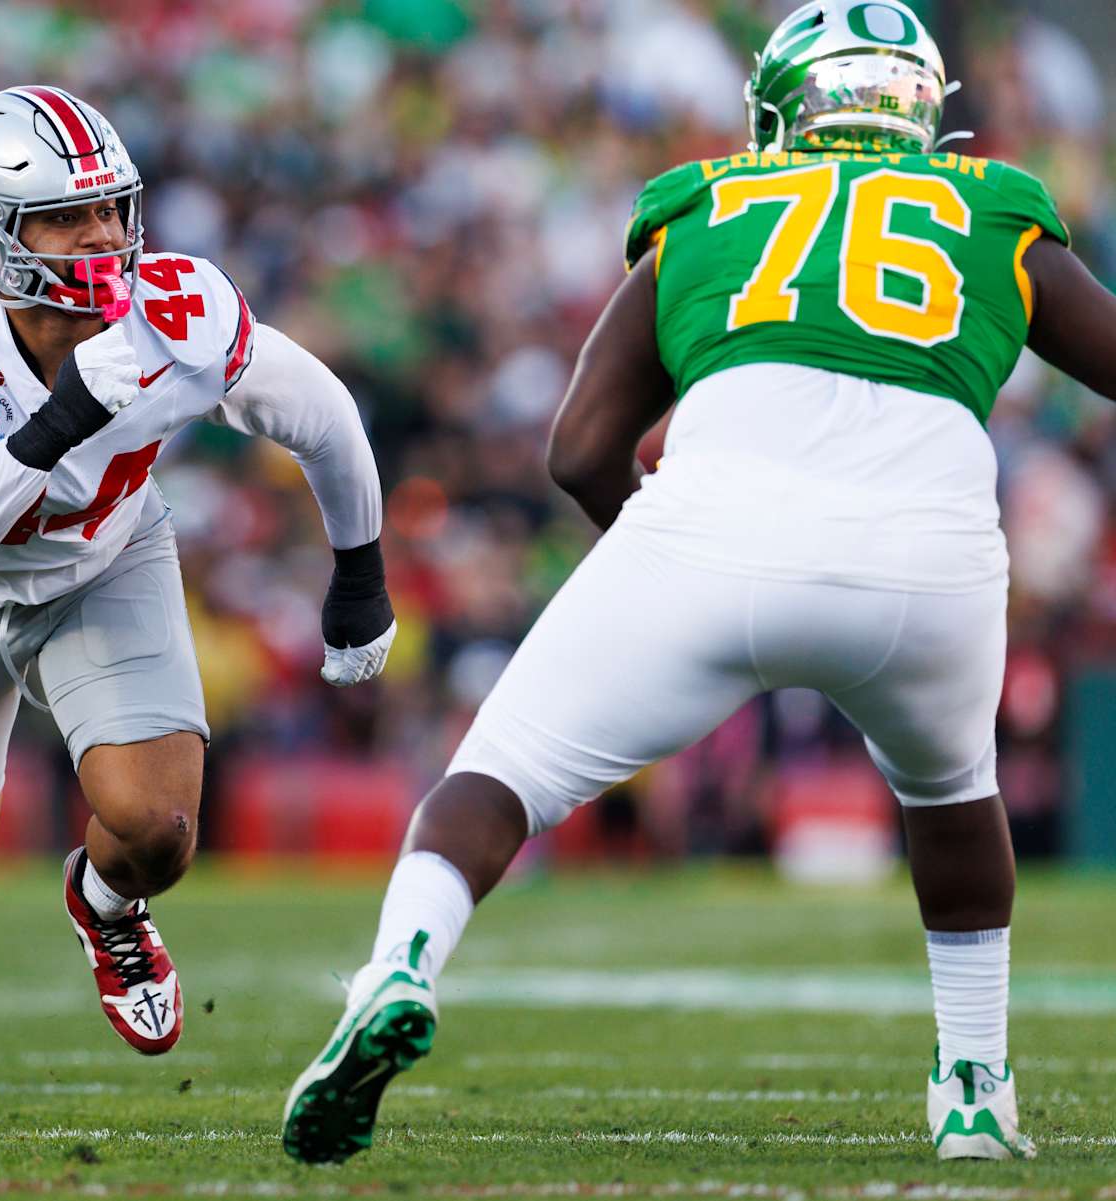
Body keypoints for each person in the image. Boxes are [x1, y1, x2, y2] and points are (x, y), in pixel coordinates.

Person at [283, 0, 1116, 1165]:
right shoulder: (995, 208)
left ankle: (398, 968)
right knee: (955, 793)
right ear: (925, 107)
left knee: (499, 774)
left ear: (783, 107)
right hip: (929, 557)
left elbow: (579, 447)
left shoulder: (709, 201)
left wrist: (666, 562)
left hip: (710, 532)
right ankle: (974, 1091)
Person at [0, 86, 394, 1128]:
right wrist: (64, 415)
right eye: (67, 216)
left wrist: (359, 576)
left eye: (112, 208)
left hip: (105, 563)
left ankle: (105, 903)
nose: (102, 235)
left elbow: (320, 413)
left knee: (157, 827)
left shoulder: (176, 309)